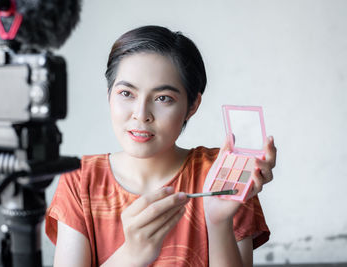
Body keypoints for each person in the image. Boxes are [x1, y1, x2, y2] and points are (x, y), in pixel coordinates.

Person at [45, 25, 277, 267]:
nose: (141, 114)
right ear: (108, 95)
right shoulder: (80, 179)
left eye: (163, 98)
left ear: (192, 105)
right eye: (126, 93)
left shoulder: (222, 174)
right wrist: (131, 255)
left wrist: (218, 222)